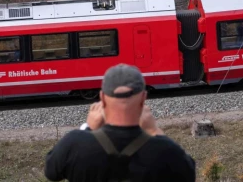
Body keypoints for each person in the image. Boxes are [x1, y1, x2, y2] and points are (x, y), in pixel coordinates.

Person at [44, 64, 196, 182]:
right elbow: (189, 174)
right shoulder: (166, 151)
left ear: (102, 98)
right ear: (143, 98)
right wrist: (154, 131)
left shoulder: (75, 143)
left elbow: (51, 171)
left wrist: (87, 128)